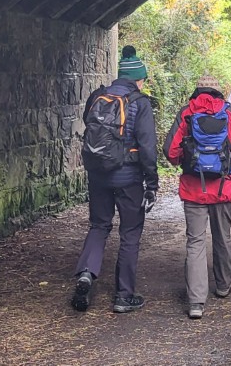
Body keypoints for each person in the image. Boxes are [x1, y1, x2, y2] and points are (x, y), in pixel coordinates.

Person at [71, 46, 159, 313]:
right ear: (139, 79)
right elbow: (147, 146)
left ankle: (87, 272)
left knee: (99, 226)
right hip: (129, 177)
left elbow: (91, 128)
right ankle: (124, 295)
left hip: (99, 174)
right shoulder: (140, 103)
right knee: (130, 233)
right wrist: (151, 181)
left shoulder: (98, 96)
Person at [166, 76, 231, 319]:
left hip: (194, 188)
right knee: (222, 237)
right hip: (224, 187)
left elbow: (170, 151)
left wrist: (185, 162)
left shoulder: (186, 113)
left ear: (197, 90)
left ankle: (196, 302)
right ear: (219, 92)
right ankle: (223, 285)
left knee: (195, 242)